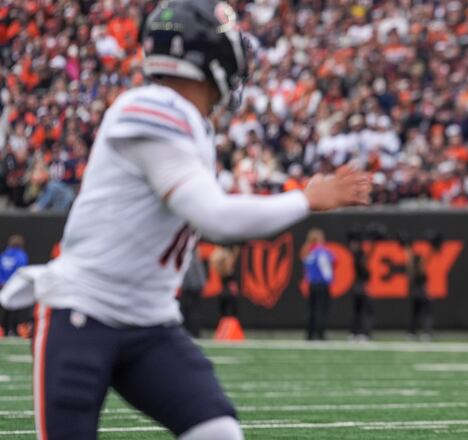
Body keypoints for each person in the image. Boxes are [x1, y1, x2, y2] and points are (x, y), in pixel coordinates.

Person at [0, 1, 371, 439]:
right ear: (203, 54)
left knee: (218, 432)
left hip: (151, 322)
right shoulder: (149, 109)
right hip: (84, 313)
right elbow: (215, 217)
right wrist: (306, 200)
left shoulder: (192, 123)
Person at [301, 228, 335, 341]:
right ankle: (320, 334)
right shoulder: (321, 252)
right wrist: (329, 281)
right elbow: (329, 266)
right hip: (321, 285)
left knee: (312, 309)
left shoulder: (308, 251)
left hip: (312, 284)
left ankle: (310, 334)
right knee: (321, 310)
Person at [406, 231, 438, 341]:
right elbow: (421, 268)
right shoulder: (418, 267)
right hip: (422, 291)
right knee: (426, 313)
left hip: (416, 291)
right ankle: (425, 332)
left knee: (416, 313)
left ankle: (413, 332)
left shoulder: (413, 266)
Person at [0, 235, 29, 336]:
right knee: (14, 307)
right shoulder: (21, 255)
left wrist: (2, 281)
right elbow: (20, 271)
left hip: (3, 285)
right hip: (14, 285)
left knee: (4, 307)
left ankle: (3, 329)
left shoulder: (3, 255)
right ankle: (11, 330)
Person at [179, 246, 207, 338]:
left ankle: (193, 331)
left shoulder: (190, 256)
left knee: (192, 311)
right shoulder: (191, 256)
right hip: (192, 289)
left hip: (191, 288)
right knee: (192, 311)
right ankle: (193, 331)